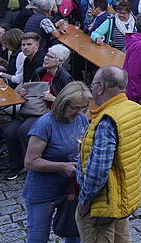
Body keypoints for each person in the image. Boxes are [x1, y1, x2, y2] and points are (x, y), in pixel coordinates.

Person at [76, 66, 141, 242]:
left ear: (100, 87)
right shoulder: (135, 109)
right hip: (123, 194)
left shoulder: (108, 120)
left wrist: (85, 200)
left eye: (92, 84)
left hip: (103, 201)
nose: (91, 88)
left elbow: (99, 170)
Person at [23, 81, 91, 243]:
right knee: (38, 238)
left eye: (83, 108)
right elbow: (30, 162)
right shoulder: (45, 124)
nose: (79, 112)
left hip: (70, 191)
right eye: (74, 108)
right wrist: (62, 167)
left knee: (73, 234)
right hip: (43, 191)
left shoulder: (81, 119)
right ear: (62, 103)